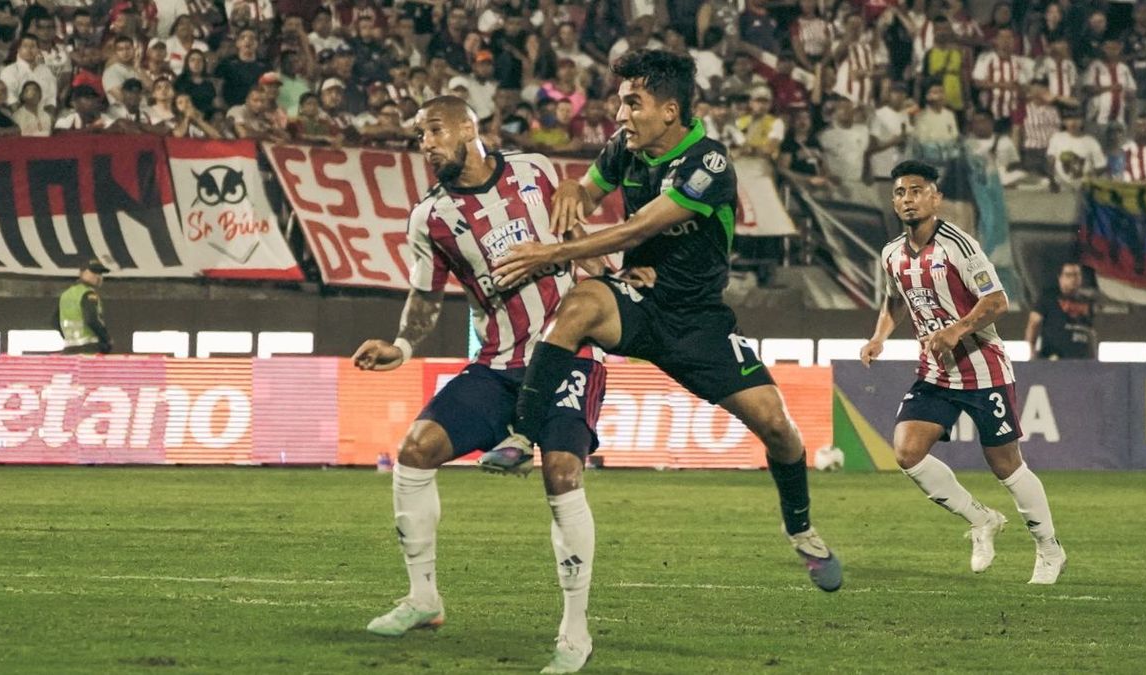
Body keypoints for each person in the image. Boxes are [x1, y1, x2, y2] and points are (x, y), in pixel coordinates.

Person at [479, 49, 843, 594]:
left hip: (699, 324)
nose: (621, 115)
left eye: (633, 103)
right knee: (578, 306)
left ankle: (802, 529)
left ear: (670, 111)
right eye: (620, 102)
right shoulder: (625, 149)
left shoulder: (709, 163)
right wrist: (573, 191)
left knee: (777, 427)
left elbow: (634, 230)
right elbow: (586, 191)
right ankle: (522, 432)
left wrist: (551, 253)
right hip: (639, 302)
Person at [352, 96, 630, 675]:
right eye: (419, 137)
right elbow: (426, 296)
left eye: (431, 132)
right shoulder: (429, 217)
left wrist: (621, 284)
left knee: (560, 470)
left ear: (466, 128)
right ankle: (423, 598)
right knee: (415, 451)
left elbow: (578, 244)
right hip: (498, 362)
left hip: (567, 354)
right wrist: (401, 346)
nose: (424, 145)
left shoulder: (536, 171)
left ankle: (574, 632)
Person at [859, 160, 1066, 585]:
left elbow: (997, 301)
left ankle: (1049, 548)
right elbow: (895, 299)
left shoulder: (959, 245)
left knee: (1006, 466)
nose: (907, 199)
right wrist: (879, 337)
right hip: (936, 372)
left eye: (916, 190)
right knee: (906, 451)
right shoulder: (892, 253)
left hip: (983, 367)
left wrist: (956, 329)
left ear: (935, 198)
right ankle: (982, 520)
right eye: (900, 192)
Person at [1025, 262, 1095, 360]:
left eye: (1076, 275)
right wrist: (1031, 350)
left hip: (1082, 359)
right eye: (1068, 275)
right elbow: (1033, 323)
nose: (1073, 279)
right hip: (1054, 358)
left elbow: (1090, 331)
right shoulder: (1048, 298)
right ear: (1060, 278)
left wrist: (1093, 356)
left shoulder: (1086, 300)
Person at [56, 259, 113, 355]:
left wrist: (69, 337)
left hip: (69, 350)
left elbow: (54, 321)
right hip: (89, 350)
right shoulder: (88, 294)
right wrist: (106, 339)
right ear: (82, 273)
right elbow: (91, 319)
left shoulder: (66, 294)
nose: (98, 276)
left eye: (100, 273)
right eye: (94, 272)